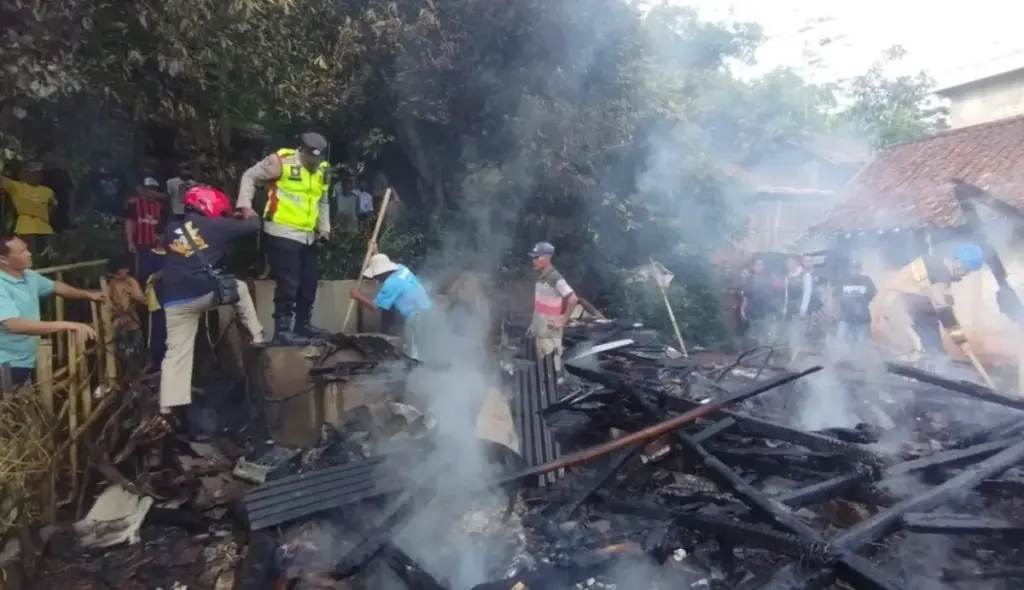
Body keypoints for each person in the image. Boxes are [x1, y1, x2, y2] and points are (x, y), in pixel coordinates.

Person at [149, 186, 265, 437]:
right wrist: (246, 211)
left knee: (176, 352)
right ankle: (257, 336)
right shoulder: (218, 227)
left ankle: (167, 408)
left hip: (173, 300)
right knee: (241, 289)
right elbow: (254, 226)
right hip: (203, 293)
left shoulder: (171, 229)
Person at [236, 132, 331, 345]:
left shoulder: (322, 170)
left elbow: (322, 200)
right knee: (289, 281)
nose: (315, 164)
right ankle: (283, 329)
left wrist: (325, 229)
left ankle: (303, 325)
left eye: (319, 160)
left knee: (309, 281)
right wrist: (245, 207)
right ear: (302, 151)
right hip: (281, 230)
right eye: (311, 159)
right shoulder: (281, 161)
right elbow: (249, 176)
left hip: (308, 234)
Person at [0, 234, 101, 388]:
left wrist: (88, 294)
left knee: (26, 402)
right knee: (11, 406)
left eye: (27, 249)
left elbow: (56, 287)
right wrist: (66, 325)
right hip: (7, 363)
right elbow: (12, 324)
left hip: (28, 357)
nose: (29, 254)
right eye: (21, 252)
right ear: (4, 260)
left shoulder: (29, 276)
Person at [877, 244, 984, 362]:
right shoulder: (940, 273)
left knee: (935, 351)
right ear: (958, 263)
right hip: (898, 309)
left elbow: (930, 301)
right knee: (923, 351)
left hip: (909, 309)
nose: (966, 275)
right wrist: (961, 341)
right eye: (967, 270)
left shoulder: (935, 264)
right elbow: (942, 309)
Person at [349, 251, 438, 361]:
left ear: (382, 273)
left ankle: (418, 375)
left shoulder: (391, 284)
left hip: (417, 317)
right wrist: (375, 252)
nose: (376, 279)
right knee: (424, 348)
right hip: (428, 310)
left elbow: (375, 307)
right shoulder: (401, 268)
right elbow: (382, 267)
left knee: (414, 354)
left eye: (376, 276)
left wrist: (357, 296)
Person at [526, 242, 578, 377]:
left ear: (547, 257)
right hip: (541, 331)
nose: (534, 260)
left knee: (552, 370)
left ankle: (556, 393)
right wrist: (533, 325)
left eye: (537, 257)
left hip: (550, 333)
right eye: (533, 257)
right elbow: (540, 305)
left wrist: (563, 320)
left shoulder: (555, 278)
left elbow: (573, 299)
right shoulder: (542, 278)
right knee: (542, 367)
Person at [0, 161, 56, 252]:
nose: (38, 175)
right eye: (34, 173)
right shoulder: (17, 187)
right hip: (25, 226)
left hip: (43, 227)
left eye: (39, 173)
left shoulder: (47, 191)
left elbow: (53, 205)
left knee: (44, 251)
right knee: (26, 250)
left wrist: (45, 216)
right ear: (24, 174)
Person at [105, 256, 148, 366]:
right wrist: (111, 305)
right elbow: (106, 299)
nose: (116, 276)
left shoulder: (131, 282)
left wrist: (132, 294)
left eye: (119, 273)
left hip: (132, 320)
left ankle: (139, 370)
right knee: (121, 352)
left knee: (136, 351)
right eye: (115, 274)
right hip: (118, 320)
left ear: (127, 270)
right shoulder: (112, 284)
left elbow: (143, 300)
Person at [125, 176, 167, 282]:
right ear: (141, 189)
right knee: (140, 273)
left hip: (155, 245)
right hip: (139, 243)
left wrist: (161, 244)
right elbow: (129, 222)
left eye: (153, 189)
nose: (151, 192)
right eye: (149, 189)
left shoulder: (159, 206)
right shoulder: (134, 203)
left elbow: (162, 227)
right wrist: (130, 241)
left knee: (155, 273)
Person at [836, 261, 877, 345]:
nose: (855, 271)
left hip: (862, 320)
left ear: (860, 269)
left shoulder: (866, 281)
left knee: (861, 346)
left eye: (857, 268)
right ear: (850, 269)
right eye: (853, 268)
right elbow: (837, 296)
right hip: (845, 318)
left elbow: (873, 294)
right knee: (840, 343)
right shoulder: (844, 281)